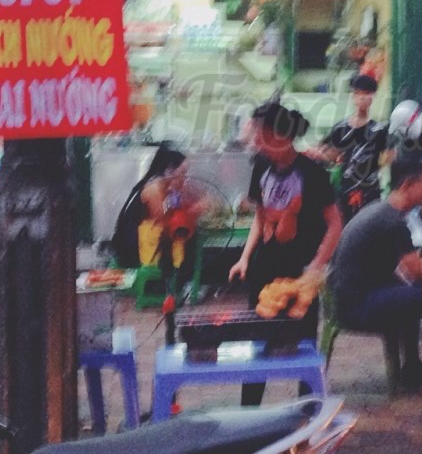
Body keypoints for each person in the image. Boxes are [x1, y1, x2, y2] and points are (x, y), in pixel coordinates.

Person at [230, 98, 343, 405]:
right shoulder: (261, 167)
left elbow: (335, 224)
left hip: (300, 272)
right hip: (264, 269)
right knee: (257, 345)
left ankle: (308, 413)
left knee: (303, 347)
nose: (255, 140)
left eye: (259, 133)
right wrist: (244, 258)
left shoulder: (313, 173)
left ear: (279, 135)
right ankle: (249, 414)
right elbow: (260, 217)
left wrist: (316, 266)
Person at [328, 157, 422, 397]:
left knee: (420, 289)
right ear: (408, 185)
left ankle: (413, 367)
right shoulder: (392, 221)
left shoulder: (381, 210)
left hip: (347, 298)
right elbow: (420, 272)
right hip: (356, 306)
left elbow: (414, 276)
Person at [110, 144, 216, 288]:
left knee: (192, 239)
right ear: (169, 170)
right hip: (134, 249)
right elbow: (165, 219)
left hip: (152, 241)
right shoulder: (153, 188)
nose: (185, 177)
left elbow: (177, 205)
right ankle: (178, 284)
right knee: (188, 241)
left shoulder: (166, 185)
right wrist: (194, 210)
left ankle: (184, 282)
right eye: (183, 172)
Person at [314, 74, 391, 222]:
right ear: (353, 96)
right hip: (345, 191)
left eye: (366, 94)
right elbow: (329, 153)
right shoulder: (341, 128)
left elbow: (388, 158)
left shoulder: (379, 130)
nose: (362, 98)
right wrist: (320, 154)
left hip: (370, 192)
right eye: (358, 93)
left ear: (372, 97)